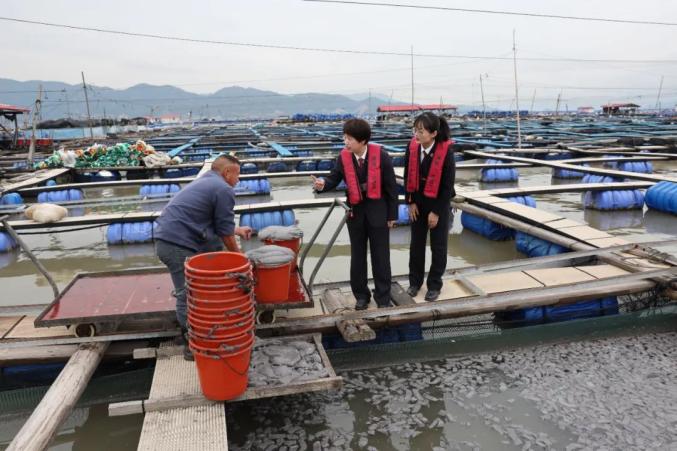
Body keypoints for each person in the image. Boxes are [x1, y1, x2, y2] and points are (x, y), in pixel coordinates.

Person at [155, 154, 252, 359]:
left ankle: (195, 330)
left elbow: (215, 222)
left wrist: (238, 230)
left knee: (194, 289)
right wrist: (240, 260)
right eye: (237, 175)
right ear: (227, 172)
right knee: (188, 294)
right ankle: (191, 344)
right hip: (177, 245)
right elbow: (224, 234)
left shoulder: (206, 181)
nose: (238, 180)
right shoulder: (223, 189)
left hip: (170, 239)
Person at [312, 118, 398, 310]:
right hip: (355, 214)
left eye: (349, 139)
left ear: (363, 140)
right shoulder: (343, 157)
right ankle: (361, 296)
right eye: (344, 138)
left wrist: (392, 216)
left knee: (381, 257)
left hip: (378, 213)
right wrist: (322, 184)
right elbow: (333, 179)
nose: (346, 142)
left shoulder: (382, 156)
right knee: (357, 256)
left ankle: (383, 297)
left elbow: (391, 187)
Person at [404, 112, 456, 302]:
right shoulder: (412, 148)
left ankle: (434, 285)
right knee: (416, 245)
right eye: (415, 130)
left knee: (438, 247)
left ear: (433, 133)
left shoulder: (446, 152)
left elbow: (448, 186)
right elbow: (407, 176)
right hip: (417, 203)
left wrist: (436, 212)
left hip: (438, 204)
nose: (416, 135)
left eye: (421, 131)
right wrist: (410, 202)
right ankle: (414, 283)